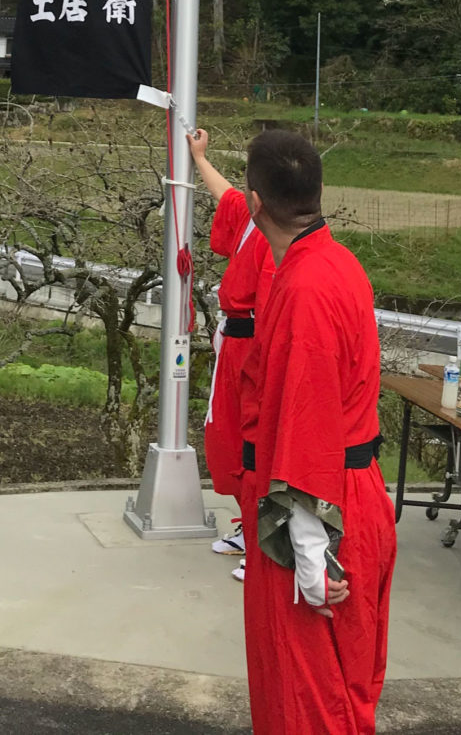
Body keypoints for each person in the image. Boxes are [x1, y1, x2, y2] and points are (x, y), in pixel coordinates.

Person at [239, 128, 394, 735]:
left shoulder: (304, 290)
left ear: (255, 203)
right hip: (353, 492)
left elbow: (307, 428)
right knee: (346, 688)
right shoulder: (336, 262)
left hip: (320, 507)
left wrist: (309, 550)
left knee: (310, 701)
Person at [190, 125, 279, 580]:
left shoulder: (278, 238)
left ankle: (265, 540)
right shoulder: (251, 216)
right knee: (226, 434)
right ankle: (248, 524)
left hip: (254, 348)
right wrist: (200, 158)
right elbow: (226, 197)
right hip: (234, 340)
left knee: (253, 438)